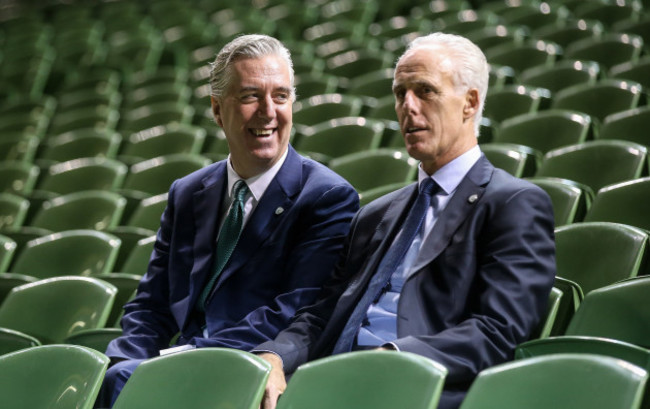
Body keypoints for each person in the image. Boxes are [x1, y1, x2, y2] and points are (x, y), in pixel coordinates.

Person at [256, 32, 556, 409]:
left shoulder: (514, 203)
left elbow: (499, 330)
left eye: (425, 91)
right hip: (332, 383)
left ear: (470, 103)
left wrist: (393, 357)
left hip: (418, 389)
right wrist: (276, 356)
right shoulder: (375, 214)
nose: (408, 107)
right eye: (400, 93)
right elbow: (323, 313)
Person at [94, 34, 359, 407]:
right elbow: (151, 304)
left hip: (253, 368)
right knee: (114, 376)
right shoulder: (187, 192)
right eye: (251, 96)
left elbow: (299, 308)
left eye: (281, 96)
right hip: (184, 366)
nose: (269, 111)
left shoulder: (326, 196)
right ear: (218, 110)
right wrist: (127, 359)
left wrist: (184, 357)